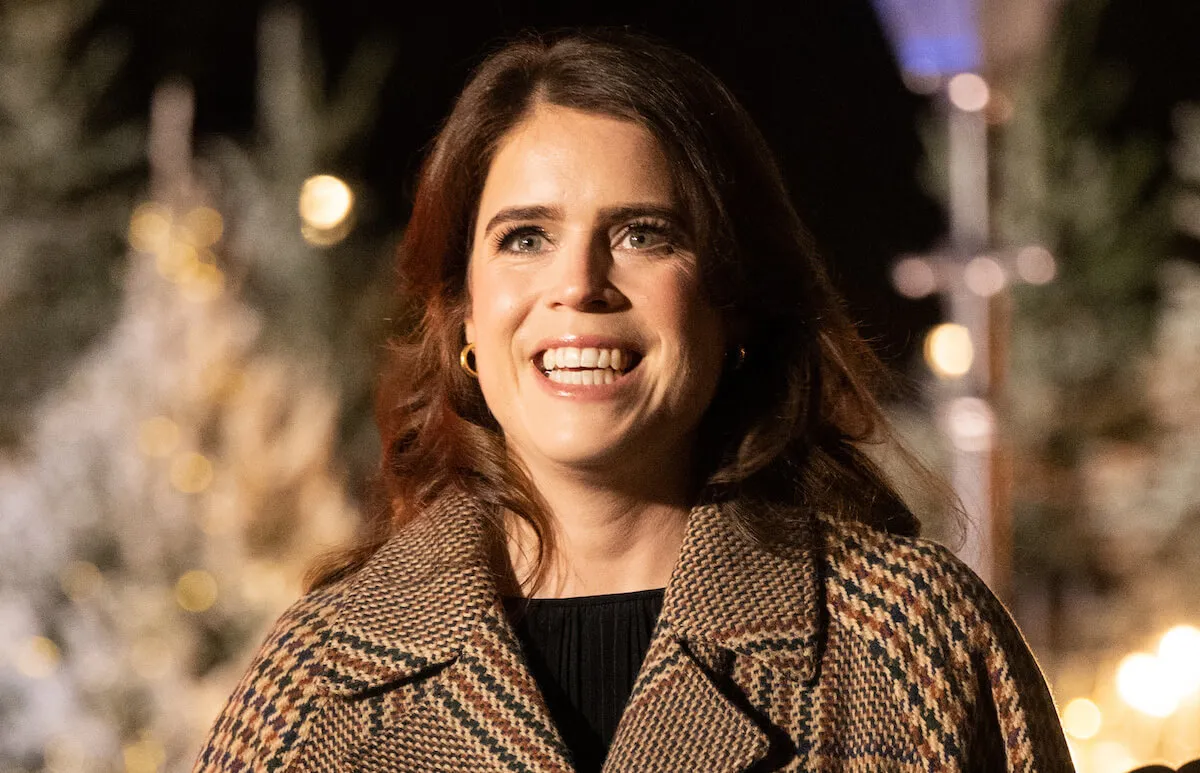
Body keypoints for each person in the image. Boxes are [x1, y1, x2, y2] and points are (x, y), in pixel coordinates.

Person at [194, 30, 1074, 772]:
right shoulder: (317, 683)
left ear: (733, 308)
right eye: (525, 237)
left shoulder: (913, 642)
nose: (578, 284)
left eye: (643, 233)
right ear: (463, 316)